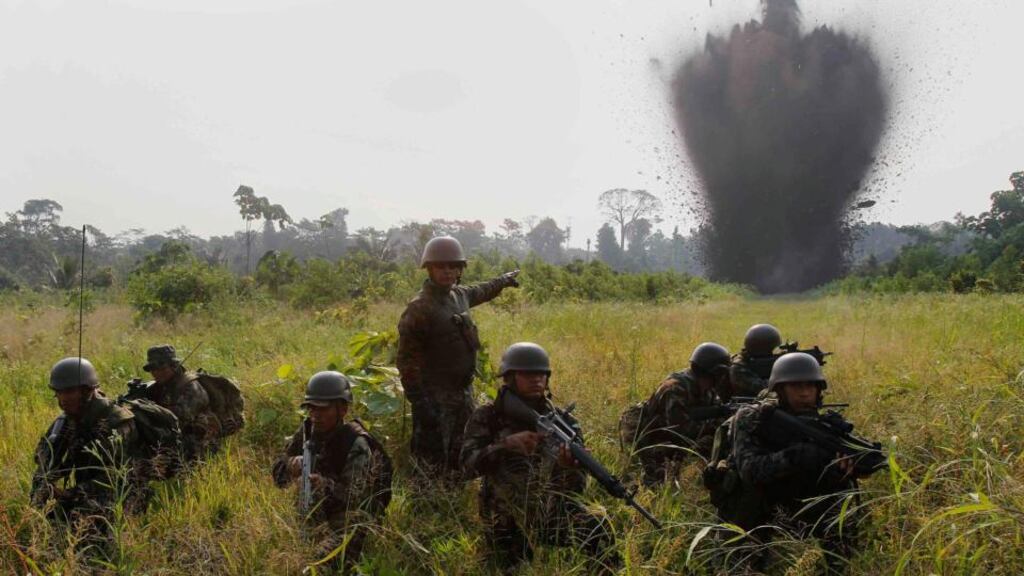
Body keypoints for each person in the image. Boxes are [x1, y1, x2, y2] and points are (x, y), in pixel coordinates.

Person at [710, 352, 881, 574]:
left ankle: (838, 563)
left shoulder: (823, 426)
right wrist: (794, 456)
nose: (804, 393)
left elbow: (862, 464)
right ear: (779, 390)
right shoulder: (754, 418)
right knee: (741, 566)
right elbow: (750, 471)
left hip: (797, 501)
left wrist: (841, 470)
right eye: (796, 386)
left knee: (841, 497)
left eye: (810, 386)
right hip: (756, 506)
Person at [461, 343, 619, 574]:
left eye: (541, 373)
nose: (536, 379)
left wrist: (568, 467)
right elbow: (466, 467)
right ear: (509, 378)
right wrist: (505, 446)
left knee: (598, 527)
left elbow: (575, 491)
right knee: (516, 568)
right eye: (527, 373)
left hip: (550, 510)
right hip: (504, 515)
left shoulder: (565, 425)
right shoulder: (488, 416)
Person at [397, 235, 519, 480]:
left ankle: (454, 495)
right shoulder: (419, 308)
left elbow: (481, 290)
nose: (448, 271)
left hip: (462, 394)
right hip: (434, 397)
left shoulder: (458, 296)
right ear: (429, 269)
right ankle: (425, 507)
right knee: (429, 459)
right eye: (441, 266)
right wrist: (421, 405)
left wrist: (503, 281)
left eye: (453, 266)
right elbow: (407, 362)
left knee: (461, 451)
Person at [272, 371, 392, 575]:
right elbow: (278, 474)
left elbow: (355, 498)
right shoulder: (308, 430)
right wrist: (290, 465)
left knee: (318, 563)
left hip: (349, 517)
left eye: (323, 409)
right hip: (314, 511)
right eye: (311, 408)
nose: (315, 415)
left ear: (342, 409)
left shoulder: (356, 443)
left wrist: (323, 485)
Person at [31, 357, 152, 544]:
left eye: (69, 392)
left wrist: (68, 494)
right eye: (58, 392)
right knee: (53, 520)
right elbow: (46, 458)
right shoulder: (68, 419)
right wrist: (42, 488)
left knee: (89, 535)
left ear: (87, 390)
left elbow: (115, 477)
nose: (62, 399)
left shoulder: (117, 422)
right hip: (86, 492)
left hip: (124, 494)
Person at [628, 342, 732, 487]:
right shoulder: (675, 389)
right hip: (657, 440)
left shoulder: (707, 387)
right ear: (714, 373)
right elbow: (682, 430)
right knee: (661, 485)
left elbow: (712, 410)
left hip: (679, 438)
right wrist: (716, 423)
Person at [130, 345, 225, 463]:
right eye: (153, 369)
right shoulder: (160, 386)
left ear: (174, 365)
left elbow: (177, 419)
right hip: (179, 435)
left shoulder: (191, 387)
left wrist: (146, 407)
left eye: (162, 368)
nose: (156, 373)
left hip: (202, 441)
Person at [728, 323, 783, 399]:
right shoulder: (738, 368)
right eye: (774, 350)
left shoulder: (753, 359)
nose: (777, 353)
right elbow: (764, 388)